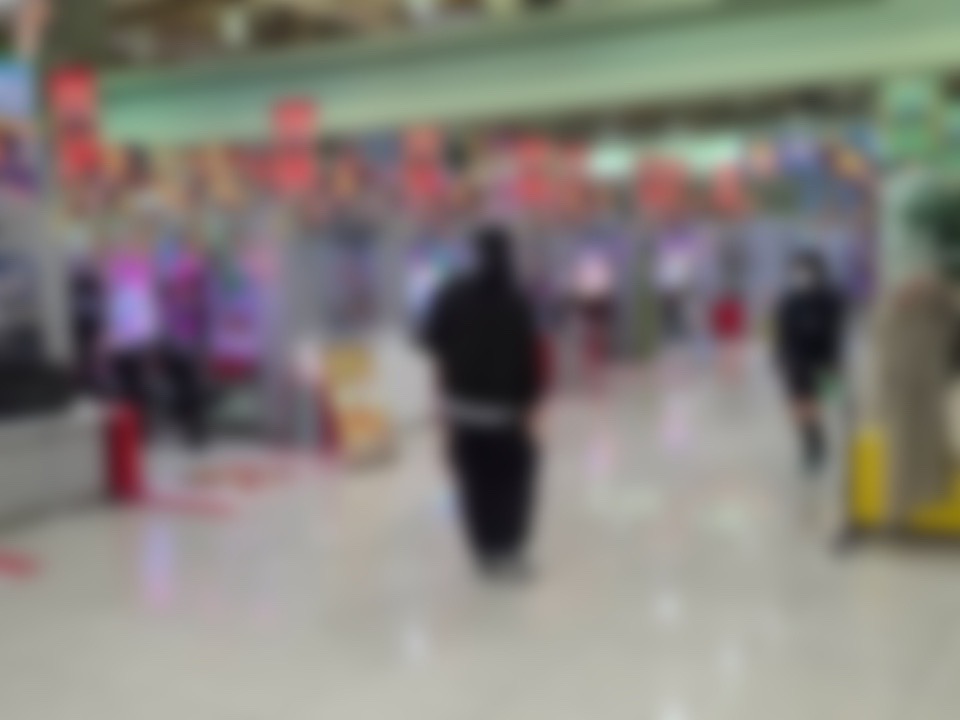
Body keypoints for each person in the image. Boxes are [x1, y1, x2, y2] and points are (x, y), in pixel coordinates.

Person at [422, 224, 546, 578]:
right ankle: (509, 547)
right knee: (511, 484)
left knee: (474, 483)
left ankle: (484, 551)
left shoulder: (452, 294)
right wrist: (531, 407)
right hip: (506, 413)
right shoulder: (516, 299)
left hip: (463, 409)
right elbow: (528, 360)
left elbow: (430, 341)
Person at [774, 251, 846, 475]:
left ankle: (817, 443)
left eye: (806, 270)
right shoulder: (789, 301)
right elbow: (782, 334)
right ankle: (810, 444)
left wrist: (835, 364)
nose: (802, 276)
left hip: (824, 360)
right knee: (798, 406)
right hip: (796, 360)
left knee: (824, 404)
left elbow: (836, 333)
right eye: (798, 270)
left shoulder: (830, 299)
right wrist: (780, 359)